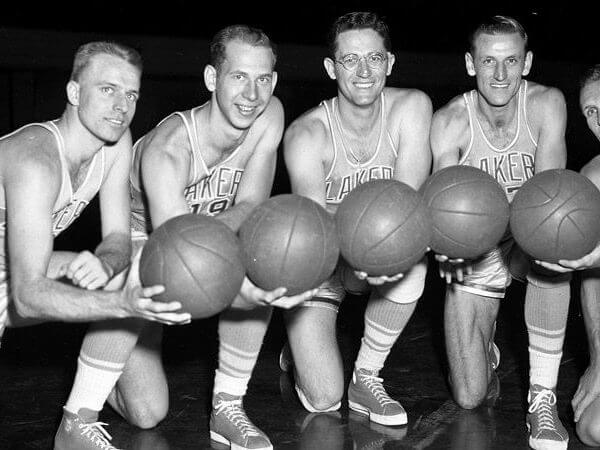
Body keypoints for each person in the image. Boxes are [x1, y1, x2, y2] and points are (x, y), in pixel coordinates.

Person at [55, 25, 316, 450]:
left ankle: (227, 408)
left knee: (148, 413)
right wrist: (246, 289)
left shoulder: (270, 115)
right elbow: (181, 257)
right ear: (213, 79)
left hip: (199, 236)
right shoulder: (168, 151)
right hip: (146, 242)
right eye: (238, 77)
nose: (252, 93)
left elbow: (251, 204)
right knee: (137, 270)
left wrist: (256, 268)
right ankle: (76, 418)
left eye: (263, 78)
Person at [0, 40, 191, 449]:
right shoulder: (37, 161)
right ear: (73, 93)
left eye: (131, 94)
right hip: (20, 284)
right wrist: (121, 304)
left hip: (15, 274)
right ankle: (78, 415)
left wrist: (106, 265)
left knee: (148, 409)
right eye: (107, 89)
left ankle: (80, 415)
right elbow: (28, 295)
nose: (121, 106)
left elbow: (120, 239)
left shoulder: (117, 143)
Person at [282, 11, 432, 427]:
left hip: (373, 257)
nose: (364, 71)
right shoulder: (306, 134)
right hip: (322, 265)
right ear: (332, 68)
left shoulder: (412, 107)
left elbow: (405, 205)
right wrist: (376, 237)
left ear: (390, 62)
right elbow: (317, 230)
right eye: (350, 60)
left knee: (415, 260)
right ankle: (299, 344)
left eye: (375, 59)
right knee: (323, 400)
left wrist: (384, 244)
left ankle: (367, 375)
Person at [429, 16, 570, 450]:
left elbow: (549, 200)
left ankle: (541, 398)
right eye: (489, 62)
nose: (500, 74)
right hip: (479, 244)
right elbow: (442, 207)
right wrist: (449, 245)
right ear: (471, 64)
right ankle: (484, 344)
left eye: (511, 61)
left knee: (556, 250)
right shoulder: (450, 120)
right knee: (470, 397)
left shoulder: (547, 104)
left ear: (526, 62)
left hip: (531, 233)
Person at [538, 64, 600, 447]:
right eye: (591, 110)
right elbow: (592, 280)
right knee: (593, 429)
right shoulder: (592, 177)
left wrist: (593, 257)